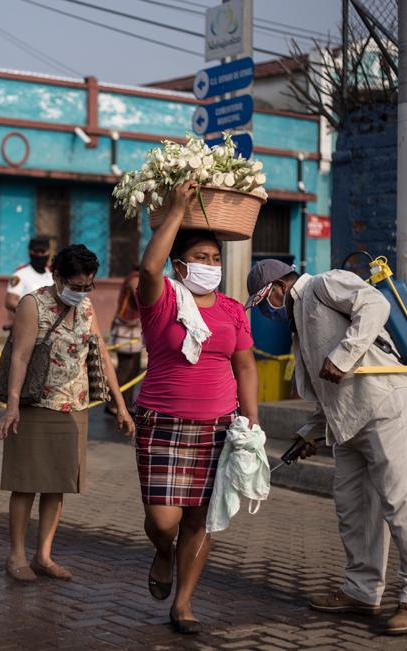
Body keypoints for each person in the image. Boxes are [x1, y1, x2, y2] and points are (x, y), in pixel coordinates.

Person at [244, 258, 407, 636]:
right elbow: (327, 392)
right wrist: (308, 433)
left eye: (265, 302)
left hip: (387, 406)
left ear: (280, 288)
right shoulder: (300, 322)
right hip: (349, 420)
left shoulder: (323, 284)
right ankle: (361, 591)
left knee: (401, 503)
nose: (266, 314)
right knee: (354, 507)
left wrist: (343, 354)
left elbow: (375, 305)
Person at [134, 183, 258, 635]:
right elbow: (148, 266)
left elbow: (245, 366)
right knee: (162, 520)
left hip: (219, 427)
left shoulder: (231, 309)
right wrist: (178, 209)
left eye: (215, 258)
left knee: (200, 518)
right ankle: (162, 551)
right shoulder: (162, 299)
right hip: (162, 424)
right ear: (179, 263)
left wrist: (252, 423)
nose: (210, 266)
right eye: (200, 258)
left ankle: (183, 603)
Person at [0, 244, 135, 582]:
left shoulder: (86, 307)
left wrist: (120, 405)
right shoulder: (33, 304)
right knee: (25, 482)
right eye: (76, 285)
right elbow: (20, 356)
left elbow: (102, 357)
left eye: (88, 285)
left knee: (57, 484)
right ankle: (16, 555)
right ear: (57, 276)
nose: (82, 292)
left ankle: (43, 555)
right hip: (35, 406)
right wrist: (12, 404)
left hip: (75, 407)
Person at [108, 266, 143, 415]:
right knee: (126, 368)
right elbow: (140, 299)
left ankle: (126, 403)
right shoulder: (135, 278)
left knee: (134, 368)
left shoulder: (135, 277)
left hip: (132, 328)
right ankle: (114, 404)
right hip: (127, 328)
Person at [4, 236, 53, 320]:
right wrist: (34, 312)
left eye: (43, 251)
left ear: (48, 252)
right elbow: (10, 302)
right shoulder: (19, 275)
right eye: (36, 251)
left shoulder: (52, 275)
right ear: (30, 252)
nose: (39, 255)